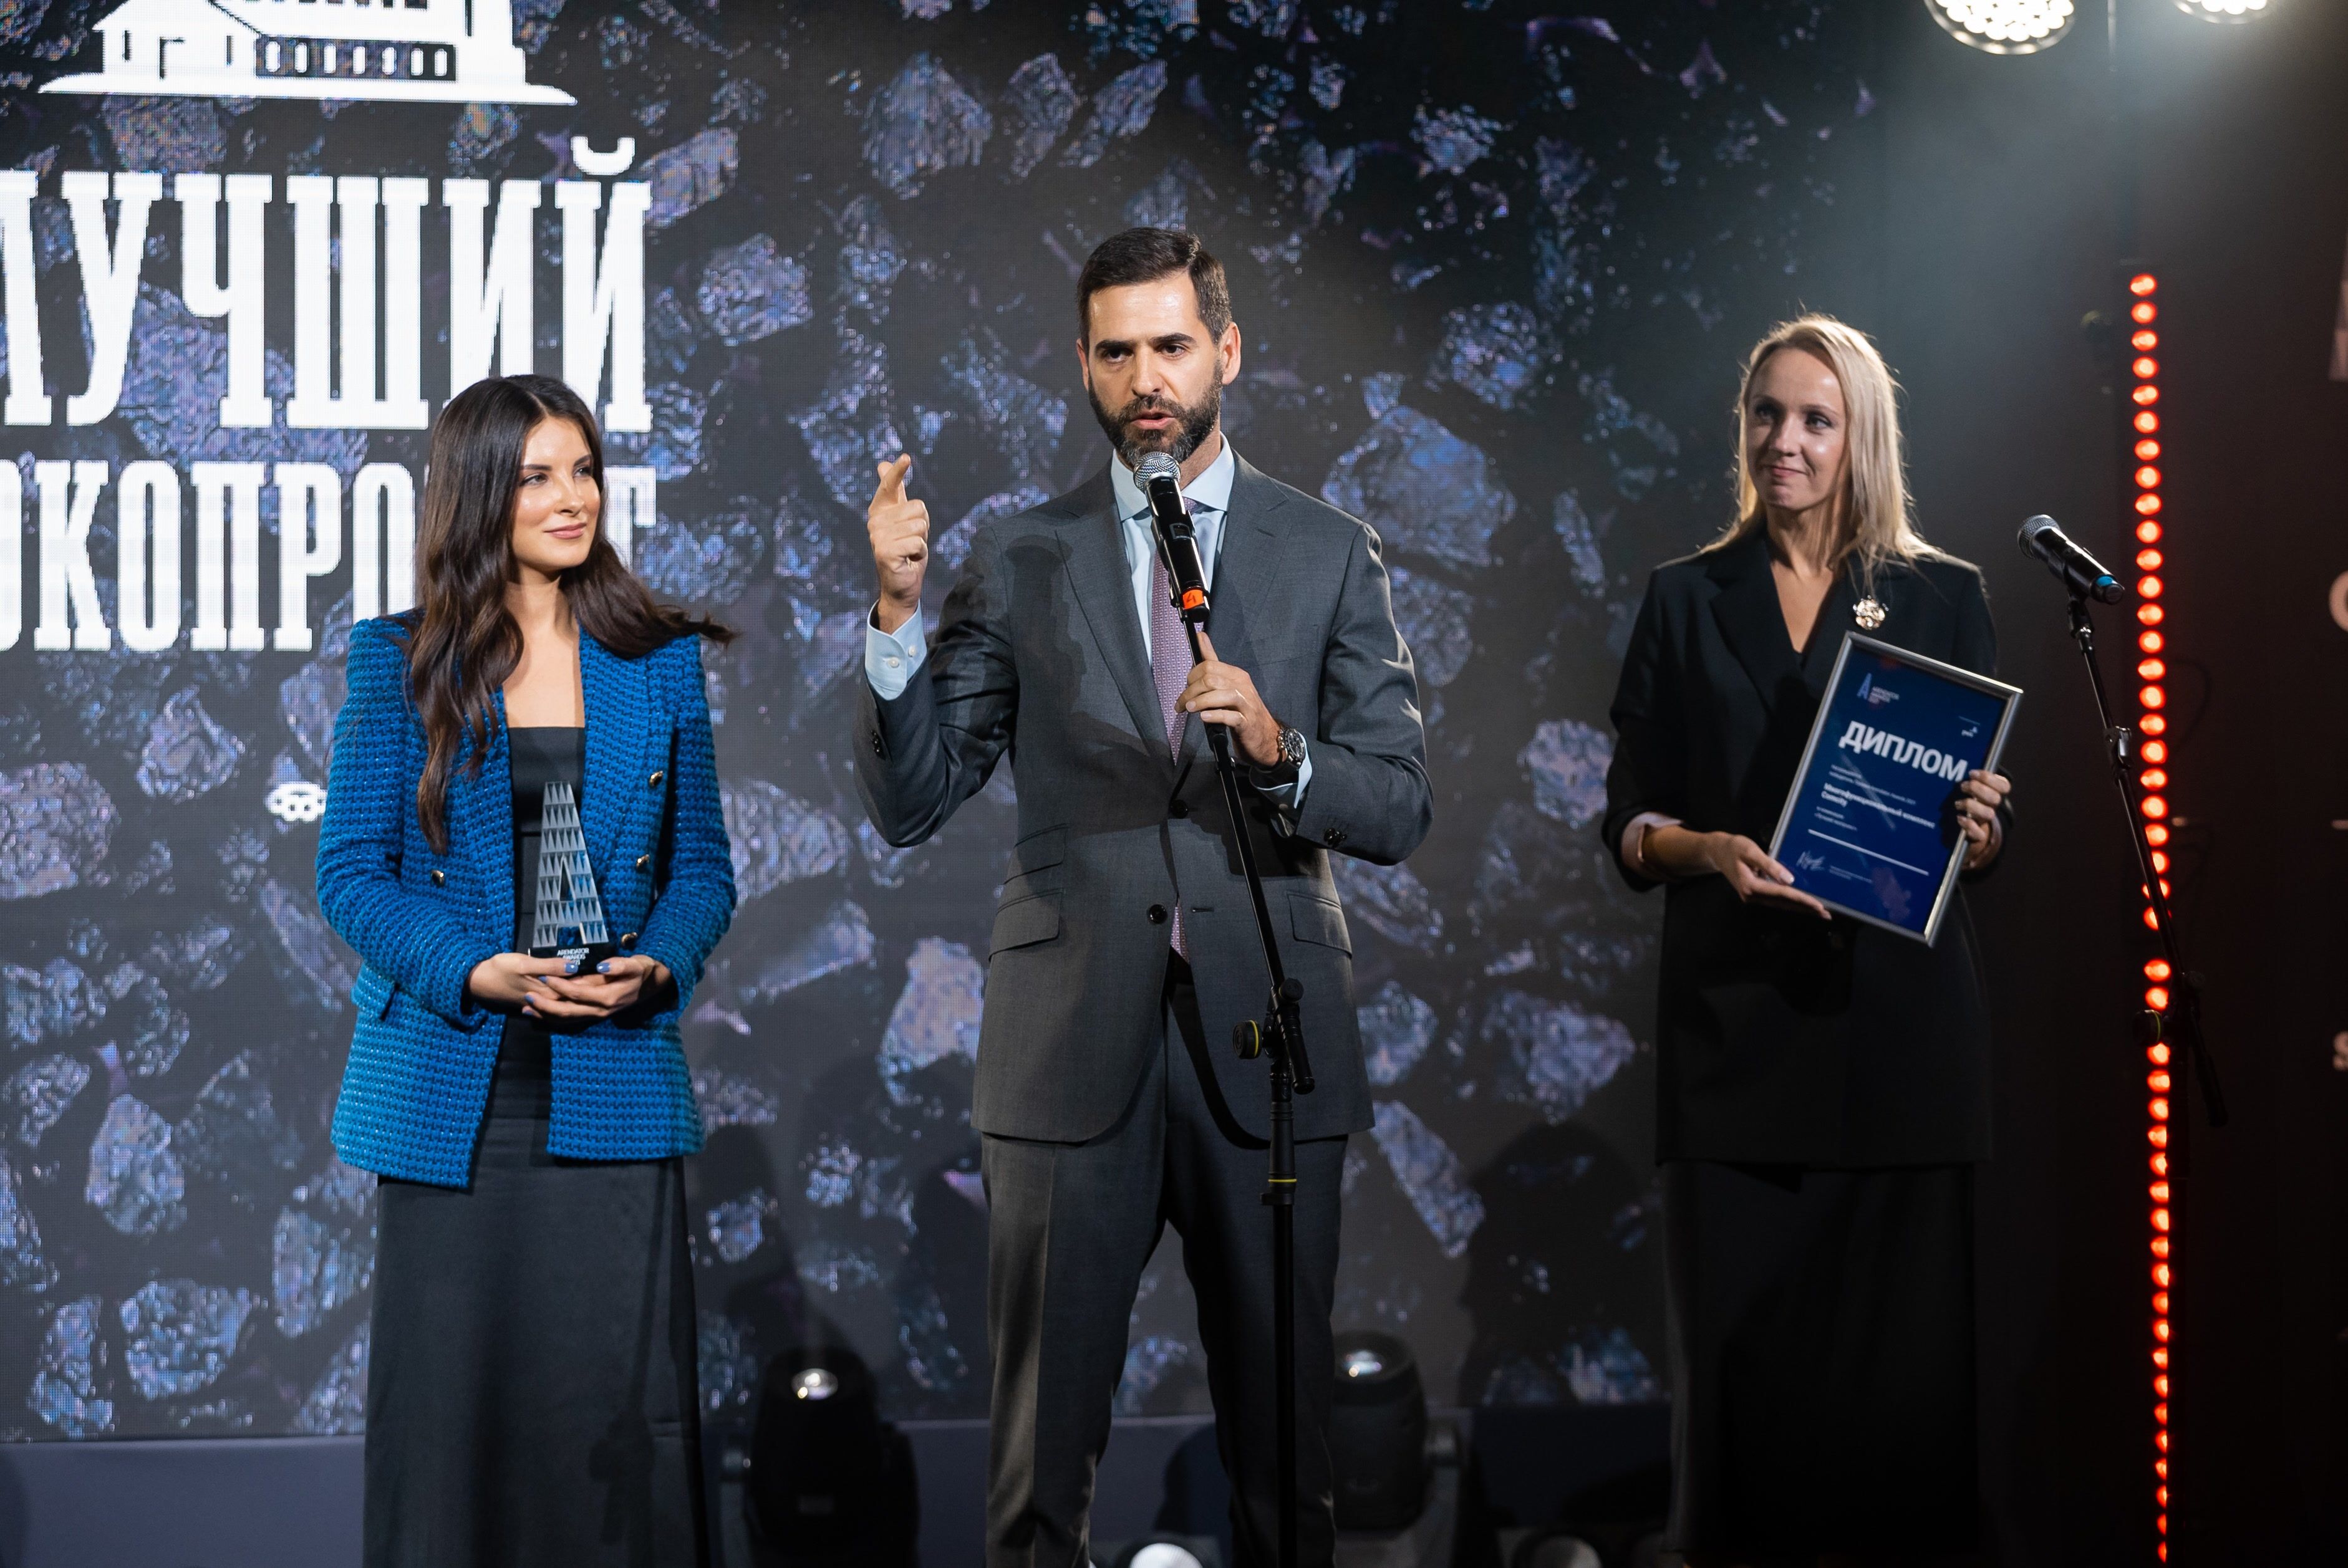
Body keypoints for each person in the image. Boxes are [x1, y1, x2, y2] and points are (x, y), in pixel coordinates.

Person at [854, 228, 1431, 1566]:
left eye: (1170, 346)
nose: (1145, 379)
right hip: (1067, 1039)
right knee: (1038, 1472)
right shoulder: (1021, 554)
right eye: (1115, 353)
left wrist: (1281, 751)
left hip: (1267, 1032)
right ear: (1081, 365)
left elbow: (1397, 801)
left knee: (1285, 1464)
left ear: (1225, 350)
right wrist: (893, 615)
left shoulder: (1326, 550)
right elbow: (912, 798)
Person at [1600, 315, 2013, 1566]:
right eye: (1766, 414)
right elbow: (1628, 822)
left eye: (1815, 420)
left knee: (1903, 1418)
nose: (1784, 440)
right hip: (1736, 1054)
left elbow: (1978, 827)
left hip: (1900, 1054)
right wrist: (1706, 851)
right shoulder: (1684, 597)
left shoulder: (1942, 597)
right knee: (1748, 1418)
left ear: (1859, 438)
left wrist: (1982, 828)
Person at [316, 373, 737, 1568]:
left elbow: (704, 870)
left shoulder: (655, 661)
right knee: (448, 1437)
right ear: (479, 493)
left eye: (584, 470)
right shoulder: (400, 659)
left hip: (612, 1088)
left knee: (610, 1431)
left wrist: (656, 966)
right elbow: (350, 873)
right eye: (539, 475)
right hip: (456, 1104)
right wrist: (474, 970)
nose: (572, 497)